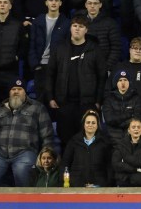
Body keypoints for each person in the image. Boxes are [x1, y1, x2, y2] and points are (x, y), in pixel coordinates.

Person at [43, 16, 106, 147]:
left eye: (81, 26)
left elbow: (102, 77)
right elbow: (50, 74)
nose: (77, 29)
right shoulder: (60, 48)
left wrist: (98, 101)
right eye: (75, 26)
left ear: (86, 30)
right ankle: (66, 167)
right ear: (70, 28)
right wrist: (50, 97)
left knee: (87, 141)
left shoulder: (95, 49)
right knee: (66, 140)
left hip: (87, 104)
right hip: (64, 103)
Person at [0, 80, 56, 186]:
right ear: (9, 92)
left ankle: (24, 203)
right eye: (13, 89)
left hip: (25, 152)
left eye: (19, 89)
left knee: (21, 173)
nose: (16, 91)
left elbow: (47, 134)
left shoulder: (37, 108)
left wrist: (45, 156)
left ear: (25, 92)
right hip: (0, 153)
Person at [28, 0, 69, 99]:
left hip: (57, 67)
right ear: (46, 3)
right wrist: (35, 65)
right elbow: (31, 45)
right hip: (40, 66)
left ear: (60, 3)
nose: (54, 3)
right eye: (51, 0)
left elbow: (68, 46)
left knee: (56, 99)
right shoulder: (37, 21)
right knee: (40, 99)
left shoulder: (66, 23)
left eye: (56, 0)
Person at [61, 109, 112, 187]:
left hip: (99, 187)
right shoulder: (73, 141)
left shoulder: (105, 143)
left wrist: (105, 184)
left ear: (97, 125)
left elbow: (109, 166)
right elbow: (65, 164)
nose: (90, 125)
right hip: (76, 186)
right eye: (88, 122)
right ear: (83, 124)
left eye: (93, 123)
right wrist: (70, 182)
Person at [82, 0, 119, 73]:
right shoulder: (79, 22)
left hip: (104, 68)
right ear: (85, 5)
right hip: (83, 68)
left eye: (95, 3)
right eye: (90, 3)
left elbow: (116, 48)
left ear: (100, 5)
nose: (92, 6)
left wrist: (106, 67)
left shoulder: (110, 23)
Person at [101, 69, 141, 143]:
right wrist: (128, 115)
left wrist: (118, 122)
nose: (123, 82)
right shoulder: (109, 99)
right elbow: (109, 119)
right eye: (120, 80)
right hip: (112, 139)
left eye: (125, 80)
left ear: (129, 82)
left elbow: (137, 118)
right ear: (116, 83)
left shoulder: (136, 98)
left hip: (131, 139)